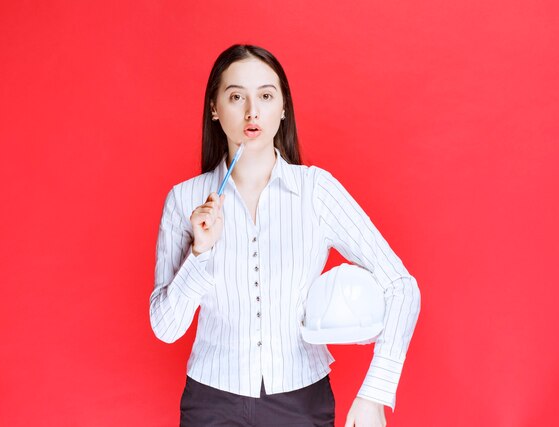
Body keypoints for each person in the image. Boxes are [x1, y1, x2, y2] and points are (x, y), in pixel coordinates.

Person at [149, 44, 421, 427]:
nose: (251, 111)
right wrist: (200, 252)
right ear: (214, 108)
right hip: (210, 403)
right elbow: (165, 328)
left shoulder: (316, 190)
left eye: (265, 95)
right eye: (235, 96)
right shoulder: (184, 200)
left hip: (301, 404)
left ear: (283, 108)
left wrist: (376, 391)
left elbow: (401, 285)